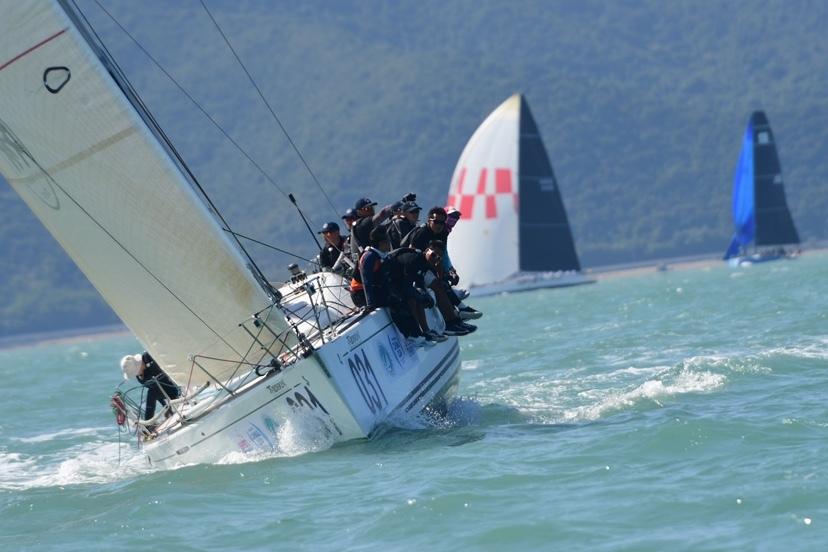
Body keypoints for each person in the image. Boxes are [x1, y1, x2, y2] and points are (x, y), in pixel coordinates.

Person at [121, 352, 180, 428]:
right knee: (151, 393)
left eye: (135, 372)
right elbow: (155, 390)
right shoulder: (139, 376)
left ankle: (148, 424)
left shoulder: (150, 357)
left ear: (138, 365)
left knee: (151, 393)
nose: (136, 374)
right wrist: (166, 407)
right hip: (166, 394)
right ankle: (148, 424)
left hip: (175, 386)